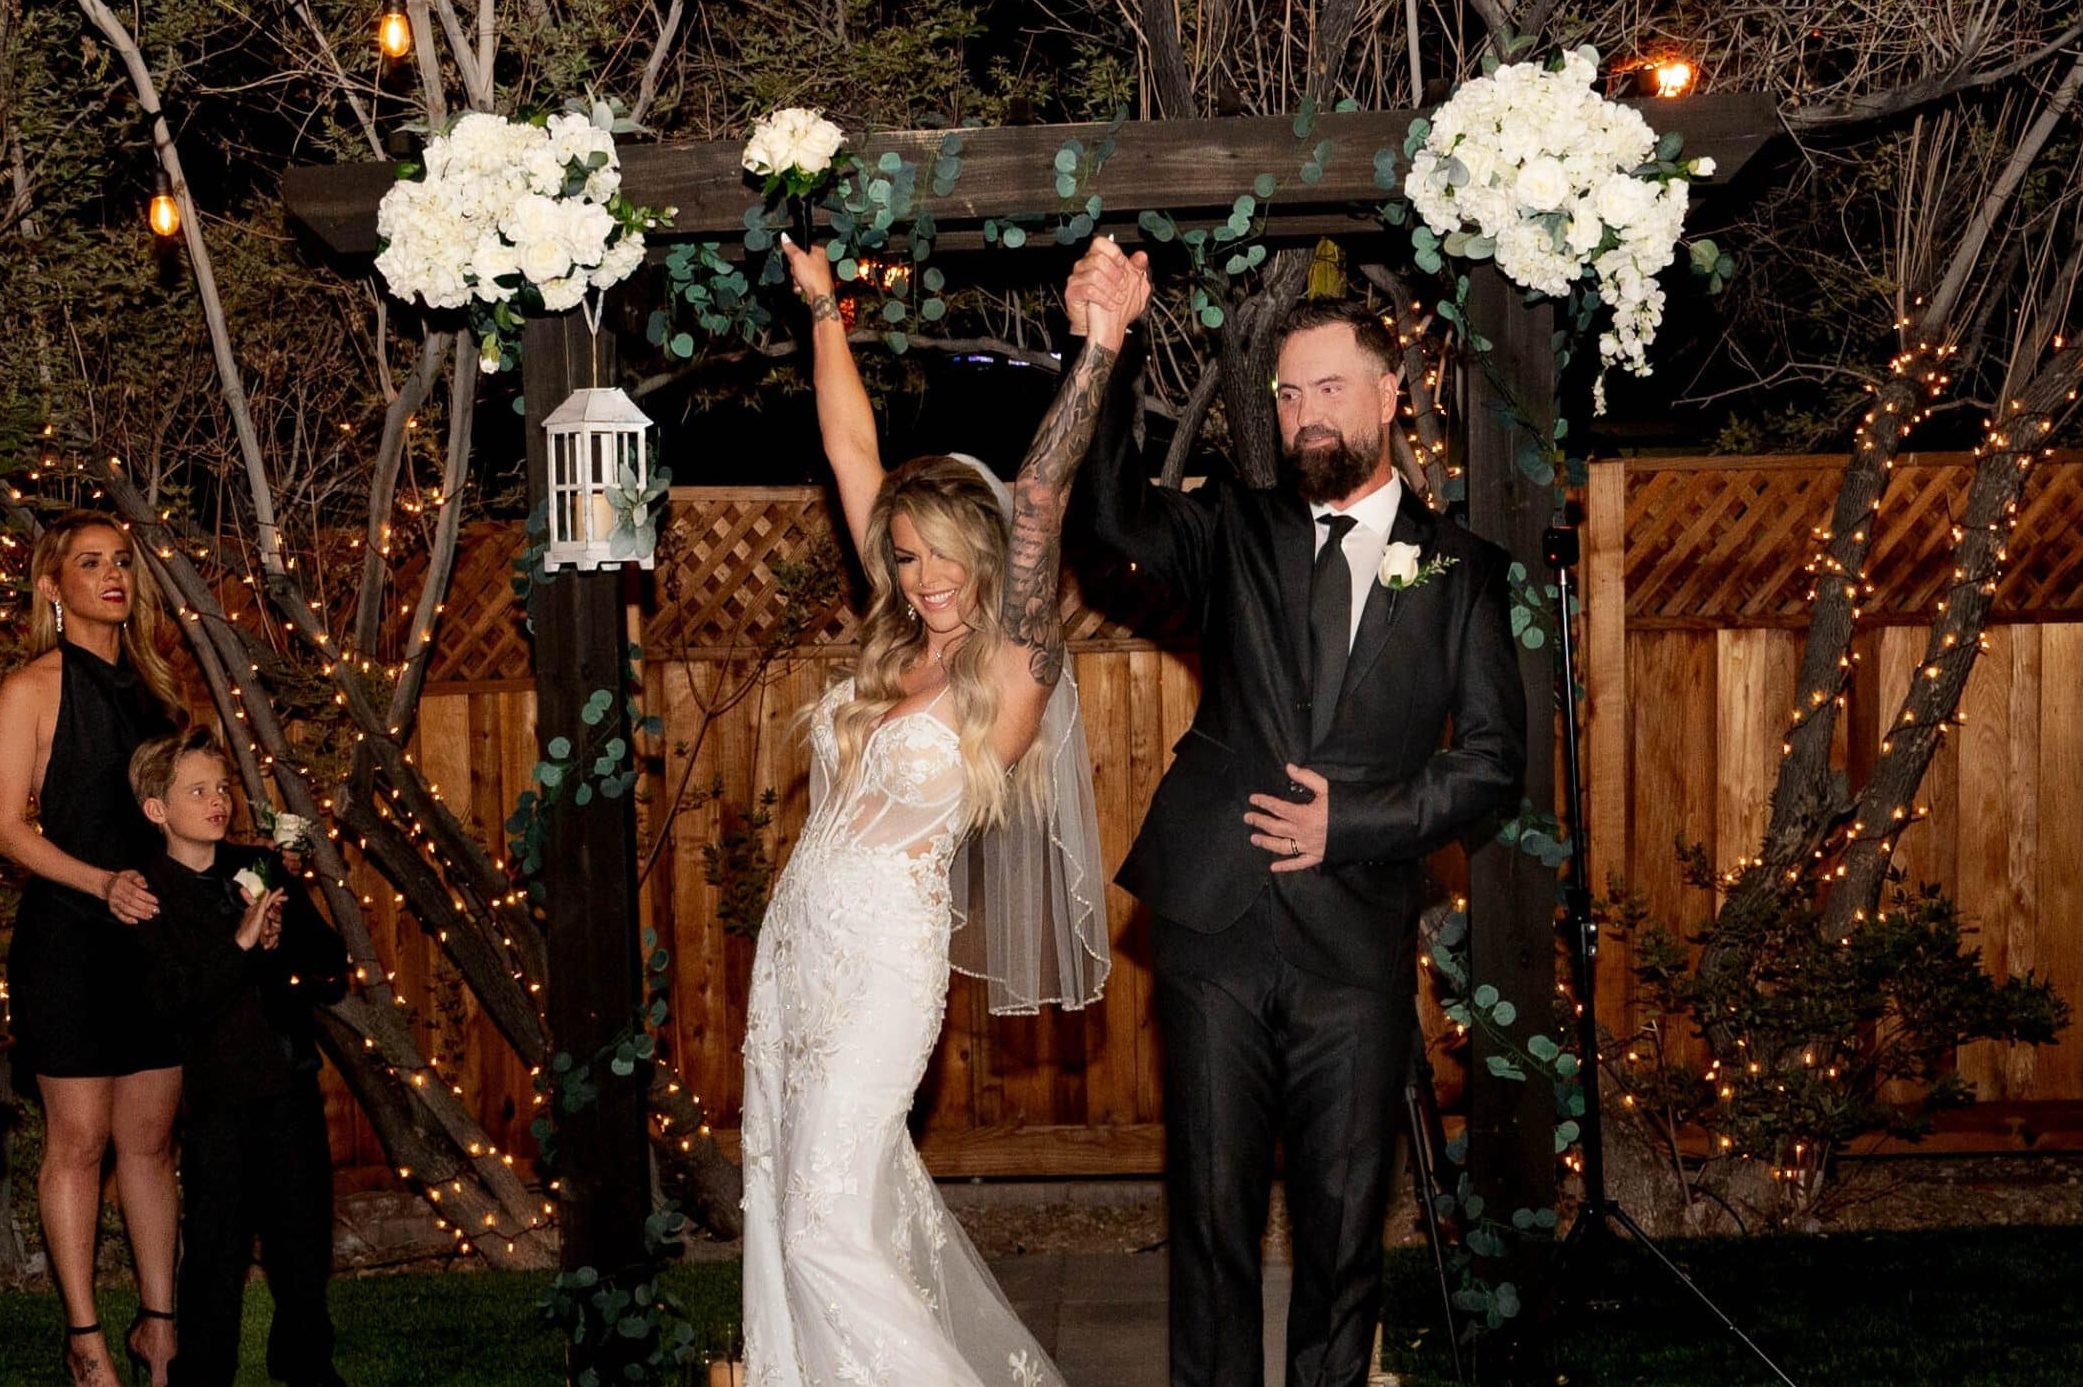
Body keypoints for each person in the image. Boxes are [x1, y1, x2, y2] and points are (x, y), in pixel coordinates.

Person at [1068, 239, 1527, 1387]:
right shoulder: (1232, 527)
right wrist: (1105, 350)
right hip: (1214, 928)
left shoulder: (1461, 570)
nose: (1305, 413)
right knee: (1210, 1221)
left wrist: (1354, 821)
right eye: (1285, 395)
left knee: (1340, 1227)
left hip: (1353, 939)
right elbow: (1109, 522)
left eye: (1328, 387)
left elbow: (1490, 765)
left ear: (1389, 391)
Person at [736, 235, 1136, 1386]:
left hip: (882, 964)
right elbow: (849, 447)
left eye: (942, 553)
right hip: (794, 949)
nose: (924, 577)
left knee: (821, 1228)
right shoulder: (900, 632)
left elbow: (1043, 493)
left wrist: (1097, 348)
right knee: (785, 1204)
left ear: (986, 546)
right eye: (906, 557)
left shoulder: (1013, 663)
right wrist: (823, 305)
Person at [0, 510, 185, 1387]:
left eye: (121, 561)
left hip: (152, 941)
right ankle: (85, 1341)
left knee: (149, 1144)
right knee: (77, 1143)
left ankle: (160, 1331)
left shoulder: (159, 690)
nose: (113, 575)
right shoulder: (28, 689)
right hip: (68, 943)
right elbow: (6, 828)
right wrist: (100, 882)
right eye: (89, 562)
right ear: (52, 585)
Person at [130, 726, 350, 1387]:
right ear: (157, 808)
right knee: (216, 1247)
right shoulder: (146, 893)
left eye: (222, 787)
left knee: (302, 1236)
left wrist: (281, 941)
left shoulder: (258, 867)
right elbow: (172, 1003)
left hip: (288, 1079)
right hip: (217, 1096)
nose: (218, 801)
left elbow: (330, 965)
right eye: (197, 791)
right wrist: (241, 944)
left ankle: (306, 1360)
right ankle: (203, 1372)